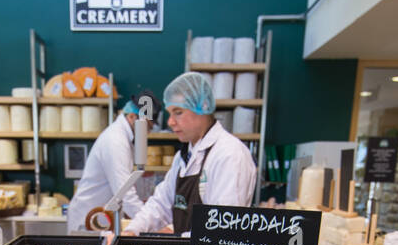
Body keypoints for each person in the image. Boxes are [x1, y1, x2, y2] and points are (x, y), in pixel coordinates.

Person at [123, 72, 258, 235]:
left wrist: (177, 239)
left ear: (204, 107)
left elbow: (223, 230)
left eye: (178, 112)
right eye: (170, 113)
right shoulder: (184, 156)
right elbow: (160, 203)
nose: (170, 121)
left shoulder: (229, 155)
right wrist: (132, 230)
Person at [67, 100, 145, 233]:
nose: (147, 132)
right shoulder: (115, 141)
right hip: (89, 219)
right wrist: (150, 223)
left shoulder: (122, 137)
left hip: (101, 218)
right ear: (132, 117)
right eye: (146, 126)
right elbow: (125, 192)